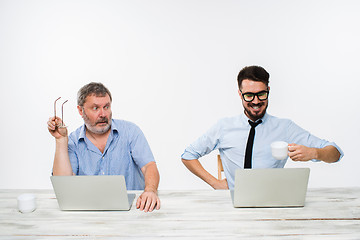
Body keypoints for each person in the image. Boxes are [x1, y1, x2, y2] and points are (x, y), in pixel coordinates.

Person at [181, 65, 343, 190]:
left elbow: (335, 153)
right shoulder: (224, 127)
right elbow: (188, 155)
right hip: (233, 203)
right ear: (240, 94)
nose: (256, 101)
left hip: (272, 201)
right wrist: (215, 183)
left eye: (261, 94)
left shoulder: (284, 127)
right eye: (249, 95)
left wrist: (315, 153)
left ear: (268, 91)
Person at [48, 82, 160, 212]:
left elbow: (149, 166)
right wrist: (61, 140)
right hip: (88, 211)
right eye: (95, 108)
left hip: (133, 210)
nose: (103, 114)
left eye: (106, 107)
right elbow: (64, 186)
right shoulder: (73, 141)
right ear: (80, 110)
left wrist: (150, 191)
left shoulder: (130, 131)